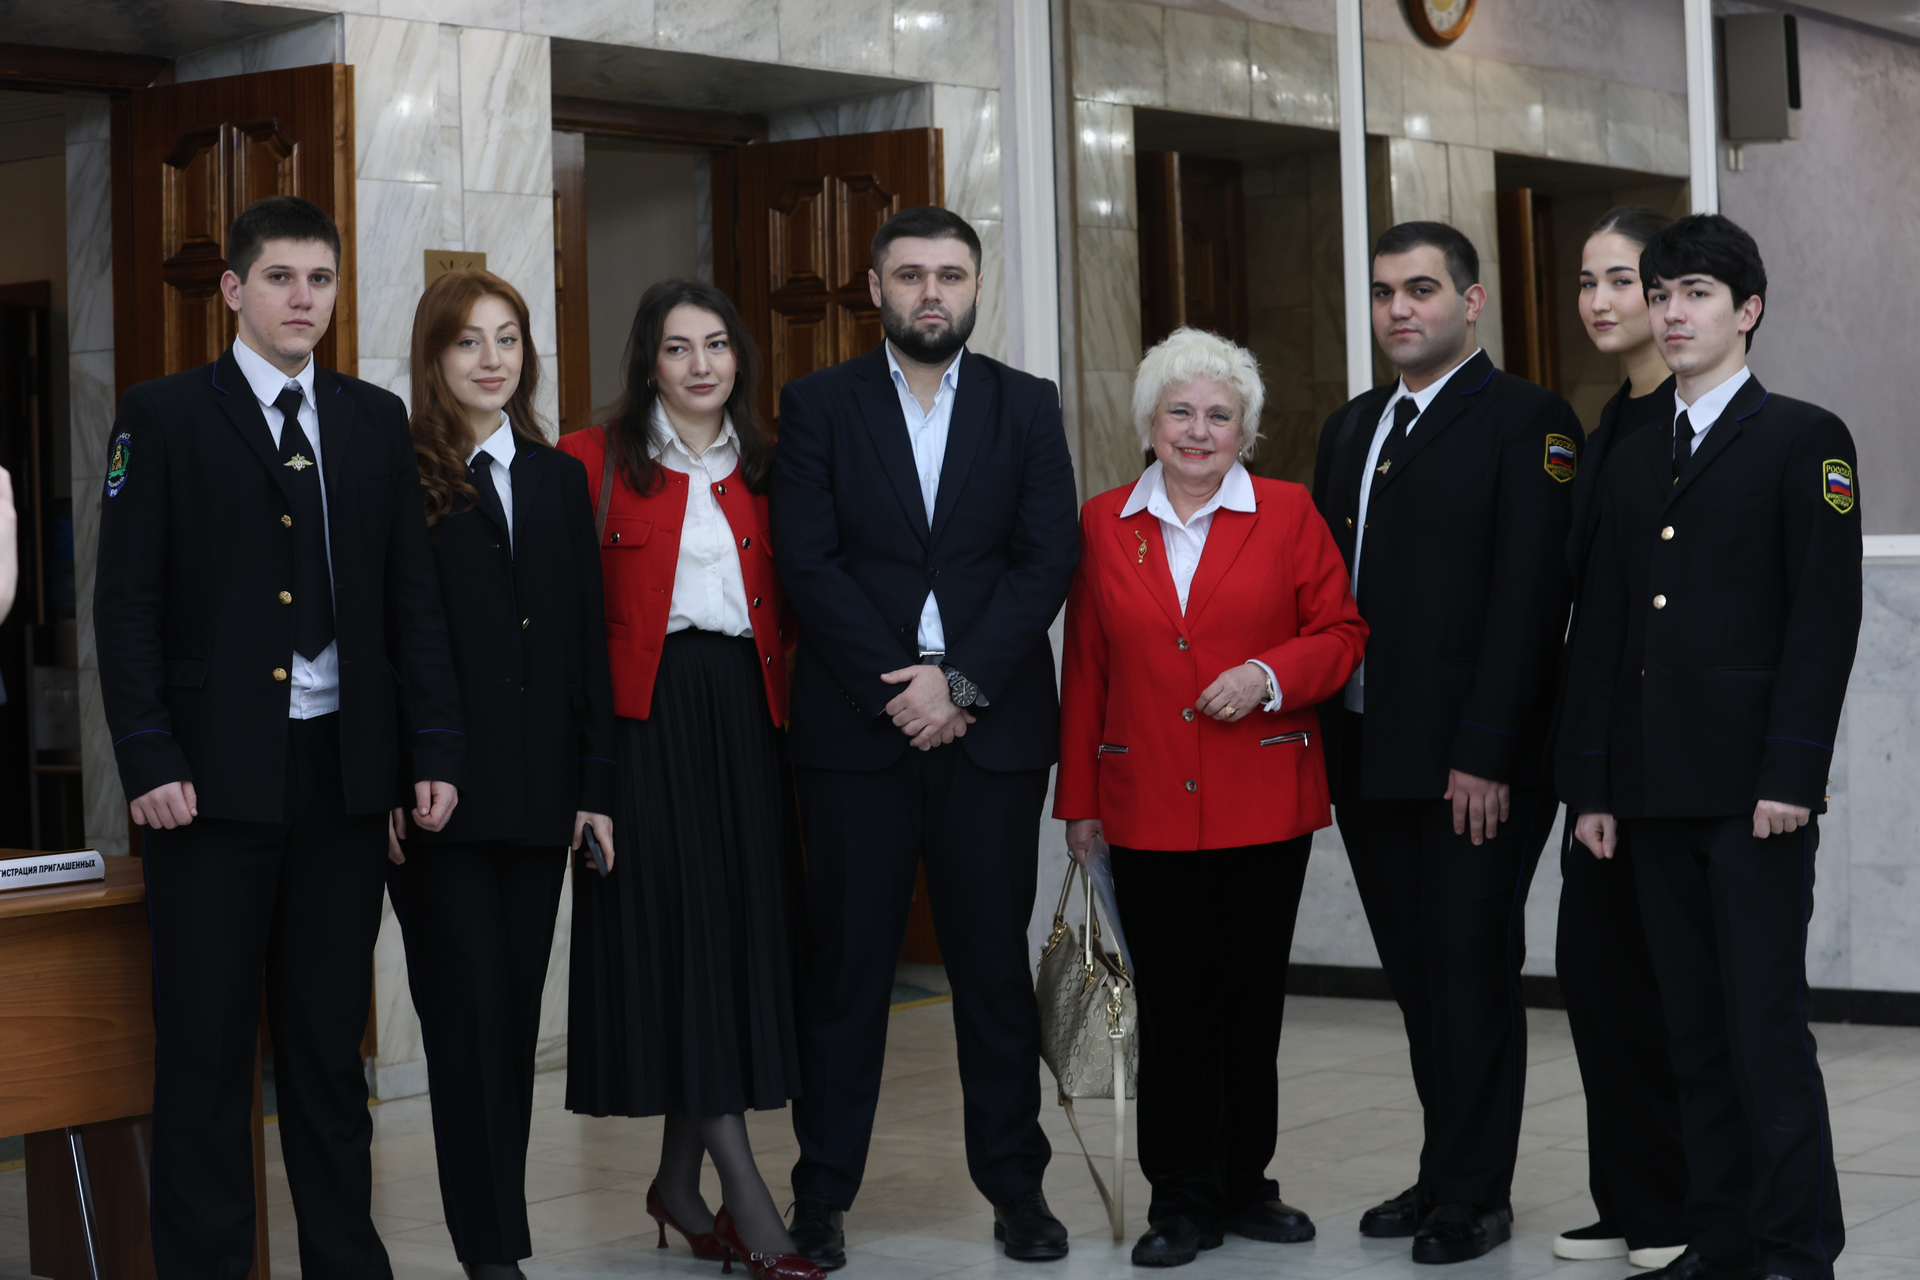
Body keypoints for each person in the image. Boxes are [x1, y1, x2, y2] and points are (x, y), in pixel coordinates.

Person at [94, 195, 463, 1278]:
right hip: (207, 783)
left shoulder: (372, 418)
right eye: (281, 277)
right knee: (207, 1054)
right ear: (234, 290)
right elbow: (125, 602)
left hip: (343, 776)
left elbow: (410, 600)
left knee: (326, 1049)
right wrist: (148, 752)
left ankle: (346, 1262)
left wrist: (432, 747)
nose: (304, 298)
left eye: (321, 279)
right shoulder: (162, 414)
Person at [771, 205, 1080, 1268]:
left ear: (977, 287)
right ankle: (821, 1195)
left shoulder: (1026, 404)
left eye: (950, 274)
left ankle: (1017, 1188)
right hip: (857, 730)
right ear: (875, 288)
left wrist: (961, 683)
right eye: (910, 275)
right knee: (846, 972)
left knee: (991, 972)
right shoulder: (818, 404)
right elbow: (807, 560)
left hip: (990, 734)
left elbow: (1047, 557)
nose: (931, 292)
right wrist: (901, 689)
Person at [1567, 214, 1858, 1280]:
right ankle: (1722, 1234)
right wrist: (1593, 785)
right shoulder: (1634, 455)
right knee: (1689, 1030)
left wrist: (1793, 772)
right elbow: (1605, 632)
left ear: (1749, 311)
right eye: (1661, 294)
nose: (1671, 313)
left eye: (1695, 293)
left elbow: (1823, 619)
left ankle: (1793, 1247)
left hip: (1752, 796)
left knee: (1762, 1029)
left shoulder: (1804, 438)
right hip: (1649, 792)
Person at [1055, 328, 1366, 1268]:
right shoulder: (1103, 523)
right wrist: (1079, 803)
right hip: (1143, 800)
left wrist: (1268, 675)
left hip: (1263, 800)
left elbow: (1342, 632)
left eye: (1219, 415)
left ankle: (1244, 1186)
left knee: (1250, 1003)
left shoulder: (1289, 512)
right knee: (1175, 1008)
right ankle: (1181, 1198)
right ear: (1149, 423)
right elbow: (1088, 668)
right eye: (1180, 412)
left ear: (1246, 432)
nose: (1198, 431)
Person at [1310, 221, 1579, 1265]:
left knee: (1469, 968)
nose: (1399, 309)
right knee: (1419, 976)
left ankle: (1475, 1194)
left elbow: (1529, 597)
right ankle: (1442, 1168)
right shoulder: (1352, 425)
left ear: (1471, 303)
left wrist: (1488, 748)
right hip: (1368, 748)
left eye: (1420, 289)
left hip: (1475, 761)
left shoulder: (1529, 420)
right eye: (1384, 292)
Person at [559, 279, 821, 1280]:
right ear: (649, 362)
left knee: (726, 943)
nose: (701, 364)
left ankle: (677, 1183)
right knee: (679, 944)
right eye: (678, 347)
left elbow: (801, 601)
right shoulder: (590, 462)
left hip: (748, 721)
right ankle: (751, 1205)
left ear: (738, 359)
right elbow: (562, 622)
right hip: (640, 726)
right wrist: (579, 771)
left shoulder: (773, 463)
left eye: (716, 344)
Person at [385, 269, 616, 1280]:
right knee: (466, 1015)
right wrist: (392, 778)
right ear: (434, 357)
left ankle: (498, 1236)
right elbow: (386, 641)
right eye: (469, 340)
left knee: (514, 1019)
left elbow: (584, 640)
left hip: (539, 792)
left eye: (509, 338)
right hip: (438, 797)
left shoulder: (558, 478)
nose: (492, 359)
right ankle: (490, 1252)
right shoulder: (396, 471)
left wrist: (595, 785)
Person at [1548, 207, 1690, 1272]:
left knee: (1661, 989)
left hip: (1668, 761)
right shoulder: (1609, 419)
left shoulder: (1686, 424)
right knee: (1597, 981)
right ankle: (1631, 1197)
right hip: (1597, 756)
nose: (1600, 301)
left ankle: (1677, 1204)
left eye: (1623, 280)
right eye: (1588, 281)